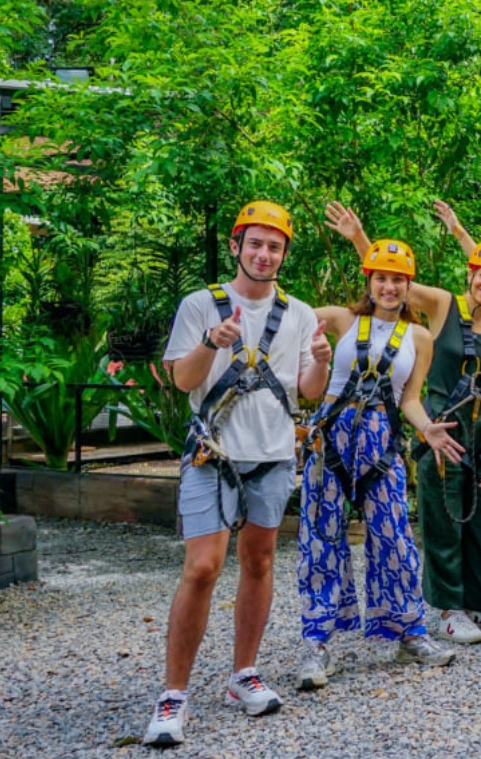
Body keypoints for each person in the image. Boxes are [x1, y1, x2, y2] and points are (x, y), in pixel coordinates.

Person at [144, 201, 329, 747]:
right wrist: (211, 343)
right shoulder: (201, 305)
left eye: (274, 246)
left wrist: (319, 357)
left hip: (271, 453)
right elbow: (181, 382)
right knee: (202, 567)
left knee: (260, 559)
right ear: (236, 246)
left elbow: (309, 390)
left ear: (284, 254)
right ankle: (173, 693)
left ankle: (243, 673)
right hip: (214, 452)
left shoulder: (298, 313)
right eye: (255, 243)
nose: (264, 254)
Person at [322, 201, 481, 646]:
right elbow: (393, 284)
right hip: (443, 424)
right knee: (444, 514)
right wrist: (360, 237)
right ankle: (449, 609)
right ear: (470, 274)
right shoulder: (442, 305)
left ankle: (477, 603)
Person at [294, 239, 456, 691]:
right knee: (322, 535)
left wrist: (427, 429)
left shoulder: (419, 338)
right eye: (381, 278)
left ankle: (410, 633)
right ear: (369, 280)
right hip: (331, 438)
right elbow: (290, 315)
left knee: (395, 536)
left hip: (381, 442)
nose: (389, 286)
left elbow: (410, 399)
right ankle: (317, 641)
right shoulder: (344, 320)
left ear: (409, 285)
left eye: (398, 279)